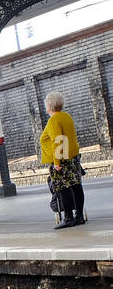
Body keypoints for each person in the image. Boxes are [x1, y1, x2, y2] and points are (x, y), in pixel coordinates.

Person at [40, 91, 85, 229]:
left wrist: (57, 162)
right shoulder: (66, 116)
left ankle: (68, 218)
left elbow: (58, 141)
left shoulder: (54, 120)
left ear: (49, 106)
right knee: (76, 186)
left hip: (61, 159)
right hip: (73, 156)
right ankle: (79, 216)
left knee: (63, 189)